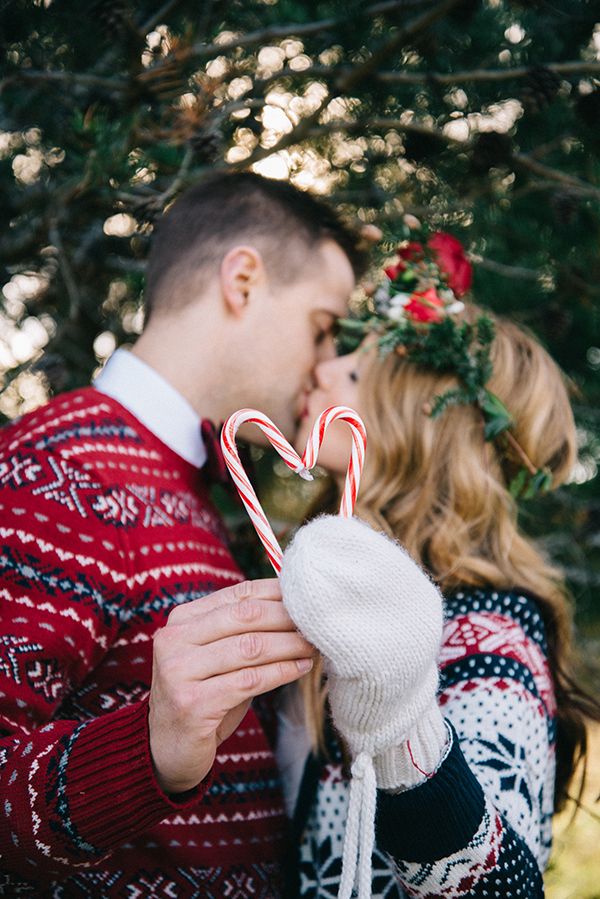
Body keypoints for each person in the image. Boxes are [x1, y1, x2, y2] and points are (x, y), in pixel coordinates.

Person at [0, 172, 368, 896]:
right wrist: (148, 752)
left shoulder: (186, 481)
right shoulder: (55, 471)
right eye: (322, 326)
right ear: (243, 280)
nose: (325, 364)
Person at [272, 230, 600, 897]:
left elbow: (501, 888)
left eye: (356, 372)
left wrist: (401, 732)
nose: (325, 368)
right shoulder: (311, 585)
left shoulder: (491, 629)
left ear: (424, 423)